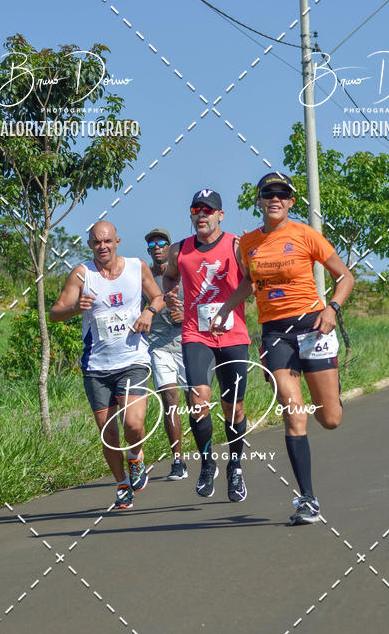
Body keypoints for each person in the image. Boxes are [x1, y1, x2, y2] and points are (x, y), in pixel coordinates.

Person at [211, 172, 354, 525]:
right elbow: (250, 281)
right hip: (275, 333)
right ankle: (308, 499)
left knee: (330, 419)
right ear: (259, 201)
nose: (275, 198)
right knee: (294, 412)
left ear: (290, 201)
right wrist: (226, 308)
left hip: (313, 327)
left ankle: (330, 391)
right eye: (268, 193)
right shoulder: (248, 243)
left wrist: (332, 308)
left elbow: (344, 277)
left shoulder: (306, 235)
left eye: (282, 194)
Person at [49, 220, 164, 509]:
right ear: (90, 245)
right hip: (96, 367)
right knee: (109, 434)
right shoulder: (82, 274)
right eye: (97, 242)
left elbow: (158, 297)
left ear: (117, 241)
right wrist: (75, 307)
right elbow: (55, 313)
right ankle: (122, 484)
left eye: (107, 241)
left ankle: (135, 456)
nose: (102, 246)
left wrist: (149, 312)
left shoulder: (137, 267)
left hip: (133, 359)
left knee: (133, 424)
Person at [163, 189, 251, 501]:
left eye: (208, 210)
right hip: (195, 334)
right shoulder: (179, 250)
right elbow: (170, 277)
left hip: (233, 334)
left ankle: (235, 466)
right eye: (196, 209)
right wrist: (171, 294)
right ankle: (207, 463)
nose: (202, 214)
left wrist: (227, 308)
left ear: (220, 215)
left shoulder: (236, 245)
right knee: (198, 401)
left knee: (233, 407)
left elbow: (252, 283)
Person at [144, 227, 188, 480]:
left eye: (161, 243)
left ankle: (205, 455)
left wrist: (186, 315)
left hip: (187, 343)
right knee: (170, 400)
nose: (157, 248)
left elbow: (205, 303)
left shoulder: (184, 274)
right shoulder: (145, 279)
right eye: (152, 245)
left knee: (196, 403)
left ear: (170, 248)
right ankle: (178, 461)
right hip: (158, 345)